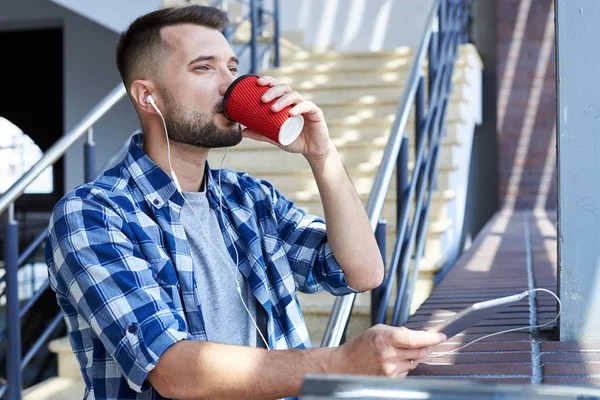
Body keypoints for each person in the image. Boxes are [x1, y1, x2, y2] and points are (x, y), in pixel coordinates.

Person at [45, 5, 446, 400]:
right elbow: (174, 371)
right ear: (148, 96)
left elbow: (362, 273)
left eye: (232, 67)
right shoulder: (93, 214)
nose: (230, 84)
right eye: (204, 67)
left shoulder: (249, 198)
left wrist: (322, 156)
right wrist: (339, 362)